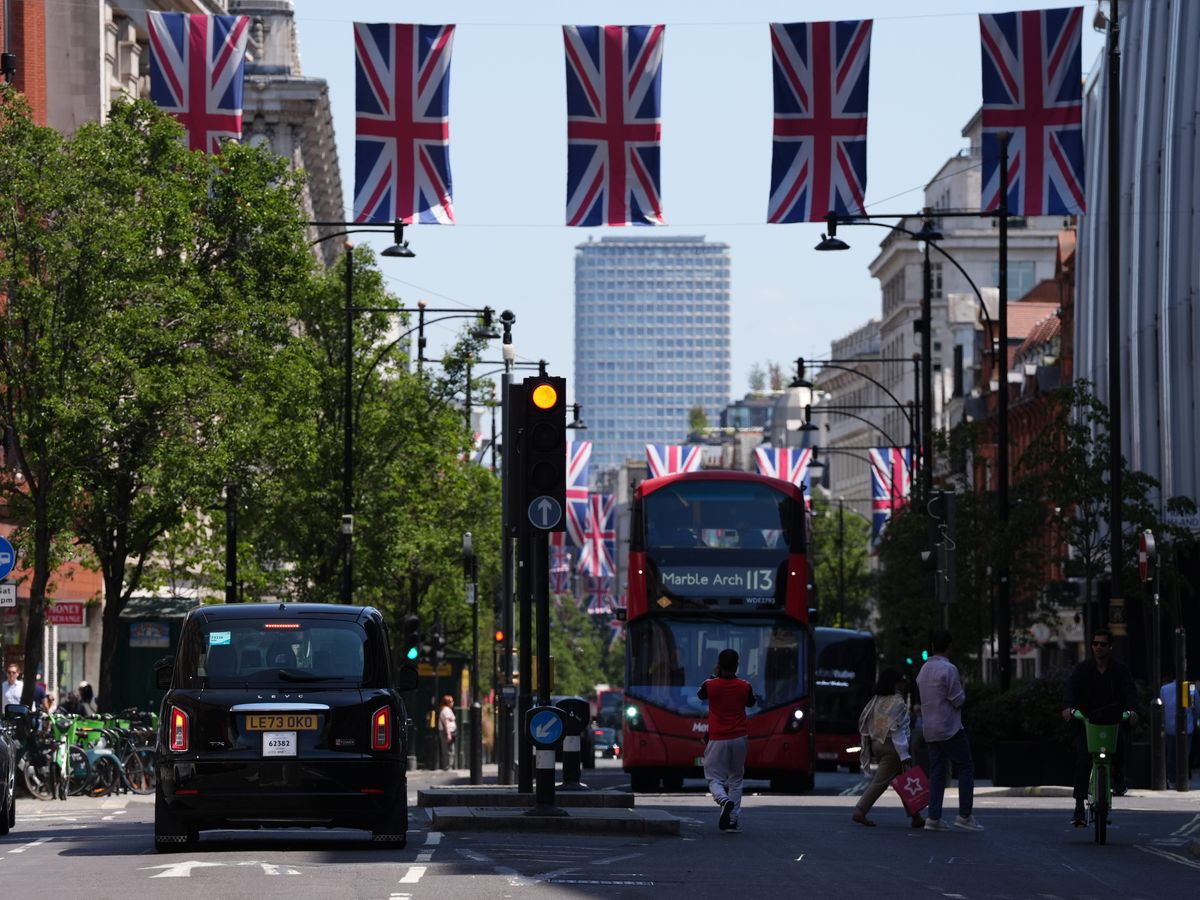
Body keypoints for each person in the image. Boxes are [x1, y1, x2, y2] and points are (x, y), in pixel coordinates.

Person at [1062, 628, 1139, 826]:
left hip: (1112, 720)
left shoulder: (1120, 670)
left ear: (1110, 647)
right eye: (1095, 644)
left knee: (1119, 746)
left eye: (1103, 644)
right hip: (1087, 721)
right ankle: (1079, 808)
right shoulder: (1083, 669)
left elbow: (1130, 691)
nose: (1098, 647)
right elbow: (1071, 689)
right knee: (1083, 759)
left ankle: (1119, 777)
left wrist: (1132, 711)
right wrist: (1069, 708)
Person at [915, 629, 983, 832]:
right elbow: (957, 700)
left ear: (932, 646)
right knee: (966, 766)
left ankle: (933, 817)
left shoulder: (923, 669)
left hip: (930, 729)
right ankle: (964, 815)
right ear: (949, 646)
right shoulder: (949, 669)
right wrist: (964, 692)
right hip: (949, 728)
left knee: (937, 771)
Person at [852, 668, 925, 829]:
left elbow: (865, 721)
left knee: (904, 780)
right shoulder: (897, 702)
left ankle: (916, 816)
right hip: (892, 747)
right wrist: (904, 755)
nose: (903, 684)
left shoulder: (877, 700)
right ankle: (860, 810)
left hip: (877, 743)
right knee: (880, 782)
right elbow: (897, 729)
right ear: (895, 683)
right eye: (901, 681)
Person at [697, 648, 756, 832]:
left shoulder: (710, 685)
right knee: (736, 779)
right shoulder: (745, 686)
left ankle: (723, 800)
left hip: (718, 738)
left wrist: (715, 675)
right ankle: (732, 820)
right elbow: (751, 702)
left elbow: (700, 695)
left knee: (714, 777)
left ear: (719, 665)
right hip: (739, 737)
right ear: (737, 665)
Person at [1161, 677, 1197, 788]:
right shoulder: (1190, 687)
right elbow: (1195, 707)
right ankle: (1182, 778)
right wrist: (1194, 721)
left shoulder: (1164, 689)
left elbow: (1162, 709)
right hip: (1187, 726)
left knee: (1171, 754)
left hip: (1170, 727)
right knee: (1185, 754)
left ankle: (1172, 780)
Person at [437, 694, 457, 770]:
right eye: (451, 701)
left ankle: (449, 766)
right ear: (447, 702)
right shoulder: (446, 710)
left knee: (449, 749)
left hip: (449, 732)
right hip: (446, 732)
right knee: (448, 750)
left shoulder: (447, 709)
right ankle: (447, 766)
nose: (453, 702)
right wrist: (448, 734)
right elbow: (445, 722)